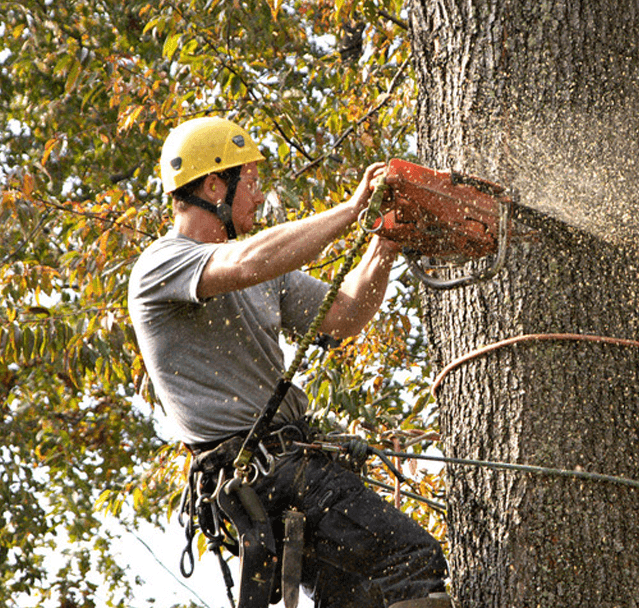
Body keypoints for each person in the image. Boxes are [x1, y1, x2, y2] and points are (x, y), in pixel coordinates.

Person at [128, 116, 449, 608]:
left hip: (294, 469)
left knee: (363, 596)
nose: (258, 198)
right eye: (251, 183)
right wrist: (351, 209)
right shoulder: (163, 264)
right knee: (408, 557)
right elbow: (247, 263)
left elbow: (345, 315)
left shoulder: (260, 271)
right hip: (265, 474)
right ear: (215, 185)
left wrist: (384, 240)